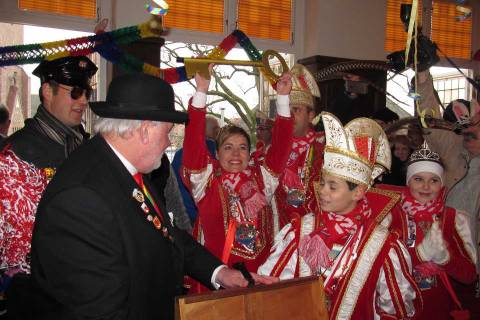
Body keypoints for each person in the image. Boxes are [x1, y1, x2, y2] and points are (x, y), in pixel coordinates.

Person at [29, 73, 277, 320]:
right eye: (167, 132)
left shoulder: (125, 169)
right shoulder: (81, 198)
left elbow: (166, 232)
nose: (168, 141)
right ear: (146, 130)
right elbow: (101, 310)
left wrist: (220, 272)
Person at [258, 112, 420, 319]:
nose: (322, 191)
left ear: (358, 192)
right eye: (323, 183)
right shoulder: (301, 230)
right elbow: (271, 285)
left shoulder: (382, 244)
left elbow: (396, 310)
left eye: (332, 187)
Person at [181, 66, 293, 291]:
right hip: (220, 282)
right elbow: (193, 147)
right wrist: (201, 91)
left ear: (250, 153)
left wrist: (282, 99)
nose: (235, 154)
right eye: (228, 147)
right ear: (217, 153)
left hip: (260, 280)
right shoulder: (207, 180)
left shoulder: (262, 178)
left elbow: (281, 149)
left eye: (242, 147)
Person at [0, 56, 97, 316]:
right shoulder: (16, 152)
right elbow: (18, 245)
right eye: (75, 92)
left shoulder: (87, 149)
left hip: (86, 287)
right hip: (37, 293)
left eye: (86, 92)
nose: (83, 101)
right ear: (46, 91)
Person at [383, 142, 477, 319]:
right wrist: (419, 254)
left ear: (442, 184)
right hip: (399, 308)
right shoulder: (390, 216)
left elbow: (469, 276)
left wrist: (445, 259)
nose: (426, 187)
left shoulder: (455, 219)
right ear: (408, 181)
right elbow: (378, 264)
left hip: (439, 310)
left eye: (433, 180)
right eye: (418, 179)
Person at [271, 64, 324, 232]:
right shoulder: (271, 153)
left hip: (312, 233)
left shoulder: (325, 154)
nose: (291, 115)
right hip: (276, 234)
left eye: (297, 110)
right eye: (287, 109)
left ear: (311, 115)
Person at [171, 118, 218, 226]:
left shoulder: (180, 154)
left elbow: (171, 185)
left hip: (184, 214)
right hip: (211, 218)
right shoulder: (219, 155)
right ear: (216, 132)